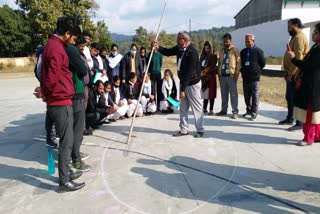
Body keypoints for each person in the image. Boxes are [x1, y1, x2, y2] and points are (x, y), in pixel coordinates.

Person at [40, 16, 85, 192]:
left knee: (67, 139)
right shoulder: (58, 49)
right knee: (67, 141)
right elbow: (51, 77)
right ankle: (64, 181)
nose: (73, 42)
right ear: (66, 34)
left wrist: (44, 91)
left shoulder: (51, 45)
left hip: (57, 99)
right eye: (73, 38)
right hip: (60, 101)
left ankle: (66, 172)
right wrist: (45, 91)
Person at [153, 32, 204, 138]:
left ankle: (200, 130)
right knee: (183, 108)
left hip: (192, 84)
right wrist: (158, 47)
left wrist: (182, 89)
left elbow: (189, 73)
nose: (176, 41)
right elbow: (168, 51)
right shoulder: (179, 48)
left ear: (184, 40)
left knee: (197, 107)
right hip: (184, 83)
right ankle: (184, 129)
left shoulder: (192, 52)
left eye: (178, 39)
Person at [287, 23, 320, 146]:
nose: (313, 34)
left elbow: (308, 67)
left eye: (316, 32)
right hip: (312, 85)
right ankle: (317, 135)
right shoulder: (316, 47)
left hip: (313, 87)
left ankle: (308, 138)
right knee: (315, 113)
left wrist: (294, 59)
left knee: (310, 113)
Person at [65, 39, 91, 173]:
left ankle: (75, 153)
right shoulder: (71, 51)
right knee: (77, 129)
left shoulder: (63, 50)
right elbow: (83, 70)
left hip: (74, 93)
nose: (83, 49)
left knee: (75, 128)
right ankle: (75, 159)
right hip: (76, 94)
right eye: (81, 47)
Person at [280, 18, 309, 131]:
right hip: (290, 74)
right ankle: (290, 118)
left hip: (296, 75)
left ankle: (299, 123)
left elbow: (299, 58)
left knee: (296, 99)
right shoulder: (294, 37)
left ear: (296, 25)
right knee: (290, 98)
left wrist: (292, 74)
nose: (288, 29)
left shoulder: (300, 38)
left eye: (289, 27)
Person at [240, 34, 266, 121]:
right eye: (245, 42)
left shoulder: (259, 51)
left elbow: (263, 64)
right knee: (246, 96)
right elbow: (242, 63)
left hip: (254, 78)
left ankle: (254, 112)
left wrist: (256, 70)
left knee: (255, 96)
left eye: (248, 42)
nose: (247, 43)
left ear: (253, 41)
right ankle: (248, 110)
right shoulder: (243, 52)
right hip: (245, 78)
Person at [216, 33, 241, 119]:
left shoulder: (235, 50)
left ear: (230, 40)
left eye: (227, 42)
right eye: (224, 42)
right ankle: (223, 110)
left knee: (233, 94)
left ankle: (235, 112)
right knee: (224, 94)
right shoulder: (222, 50)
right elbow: (219, 63)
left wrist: (236, 75)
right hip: (222, 76)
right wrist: (219, 74)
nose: (225, 43)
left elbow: (238, 63)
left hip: (231, 76)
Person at [200, 41, 218, 115]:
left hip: (211, 77)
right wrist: (200, 71)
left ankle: (211, 109)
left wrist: (204, 71)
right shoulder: (202, 56)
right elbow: (200, 65)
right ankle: (204, 108)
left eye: (208, 48)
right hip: (204, 78)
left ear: (211, 48)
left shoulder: (214, 56)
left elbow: (212, 66)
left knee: (211, 94)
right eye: (205, 48)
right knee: (205, 93)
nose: (207, 50)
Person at [148, 43, 163, 108]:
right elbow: (148, 63)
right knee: (153, 89)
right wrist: (149, 72)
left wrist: (158, 69)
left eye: (155, 46)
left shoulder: (159, 54)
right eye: (153, 46)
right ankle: (153, 103)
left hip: (158, 73)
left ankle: (159, 103)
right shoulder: (150, 54)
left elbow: (161, 63)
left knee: (159, 89)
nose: (154, 47)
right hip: (152, 73)